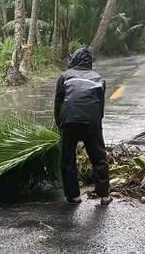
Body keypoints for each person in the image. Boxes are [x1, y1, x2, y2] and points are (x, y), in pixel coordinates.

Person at [54, 47, 111, 205]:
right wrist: (96, 126)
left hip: (69, 121)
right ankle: (104, 196)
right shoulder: (99, 79)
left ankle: (74, 196)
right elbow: (100, 107)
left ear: (74, 60)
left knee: (68, 159)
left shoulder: (64, 77)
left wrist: (60, 124)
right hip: (92, 123)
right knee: (99, 158)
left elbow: (58, 103)